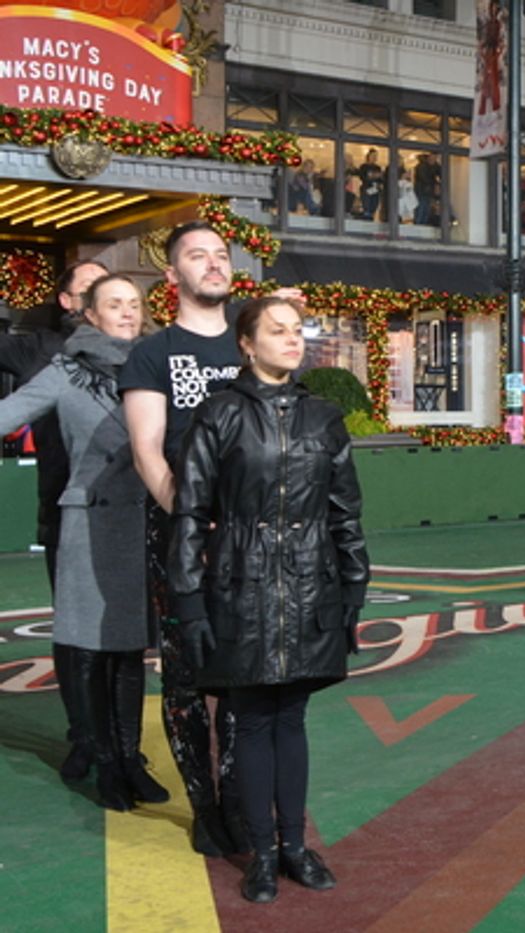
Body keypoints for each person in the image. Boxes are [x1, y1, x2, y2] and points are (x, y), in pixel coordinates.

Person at [169, 296, 369, 904]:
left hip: (311, 585)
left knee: (292, 718)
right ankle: (261, 854)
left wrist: (354, 588)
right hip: (241, 587)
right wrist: (188, 601)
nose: (292, 339)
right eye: (277, 330)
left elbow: (345, 512)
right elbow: (189, 512)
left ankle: (294, 847)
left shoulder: (324, 417)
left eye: (297, 330)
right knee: (253, 720)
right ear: (247, 344)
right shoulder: (219, 413)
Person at [120, 221, 302, 855]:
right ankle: (205, 808)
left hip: (257, 536)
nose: (215, 263)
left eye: (221, 254)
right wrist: (192, 518)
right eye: (198, 256)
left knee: (245, 675)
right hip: (182, 534)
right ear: (172, 276)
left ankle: (240, 803)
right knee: (185, 676)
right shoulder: (152, 354)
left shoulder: (253, 340)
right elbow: (147, 451)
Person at [0, 274, 170, 810]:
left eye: (134, 303)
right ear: (89, 314)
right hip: (87, 521)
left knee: (130, 651)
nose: (127, 312)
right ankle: (105, 763)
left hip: (144, 521)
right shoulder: (65, 371)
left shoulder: (158, 366)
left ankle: (131, 758)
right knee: (92, 650)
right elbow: (8, 414)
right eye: (114, 304)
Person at [0, 259, 107, 779]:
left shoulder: (136, 354)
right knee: (73, 627)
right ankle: (83, 734)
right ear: (67, 301)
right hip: (64, 509)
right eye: (90, 286)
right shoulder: (39, 349)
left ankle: (120, 741)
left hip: (128, 513)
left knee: (127, 636)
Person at [355, 149, 384, 221]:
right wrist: (373, 176)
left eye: (376, 156)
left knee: (374, 204)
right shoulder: (364, 166)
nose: (375, 157)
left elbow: (381, 180)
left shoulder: (378, 168)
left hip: (375, 189)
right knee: (367, 204)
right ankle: (367, 215)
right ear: (369, 156)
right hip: (366, 188)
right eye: (373, 156)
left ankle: (371, 216)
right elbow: (362, 177)